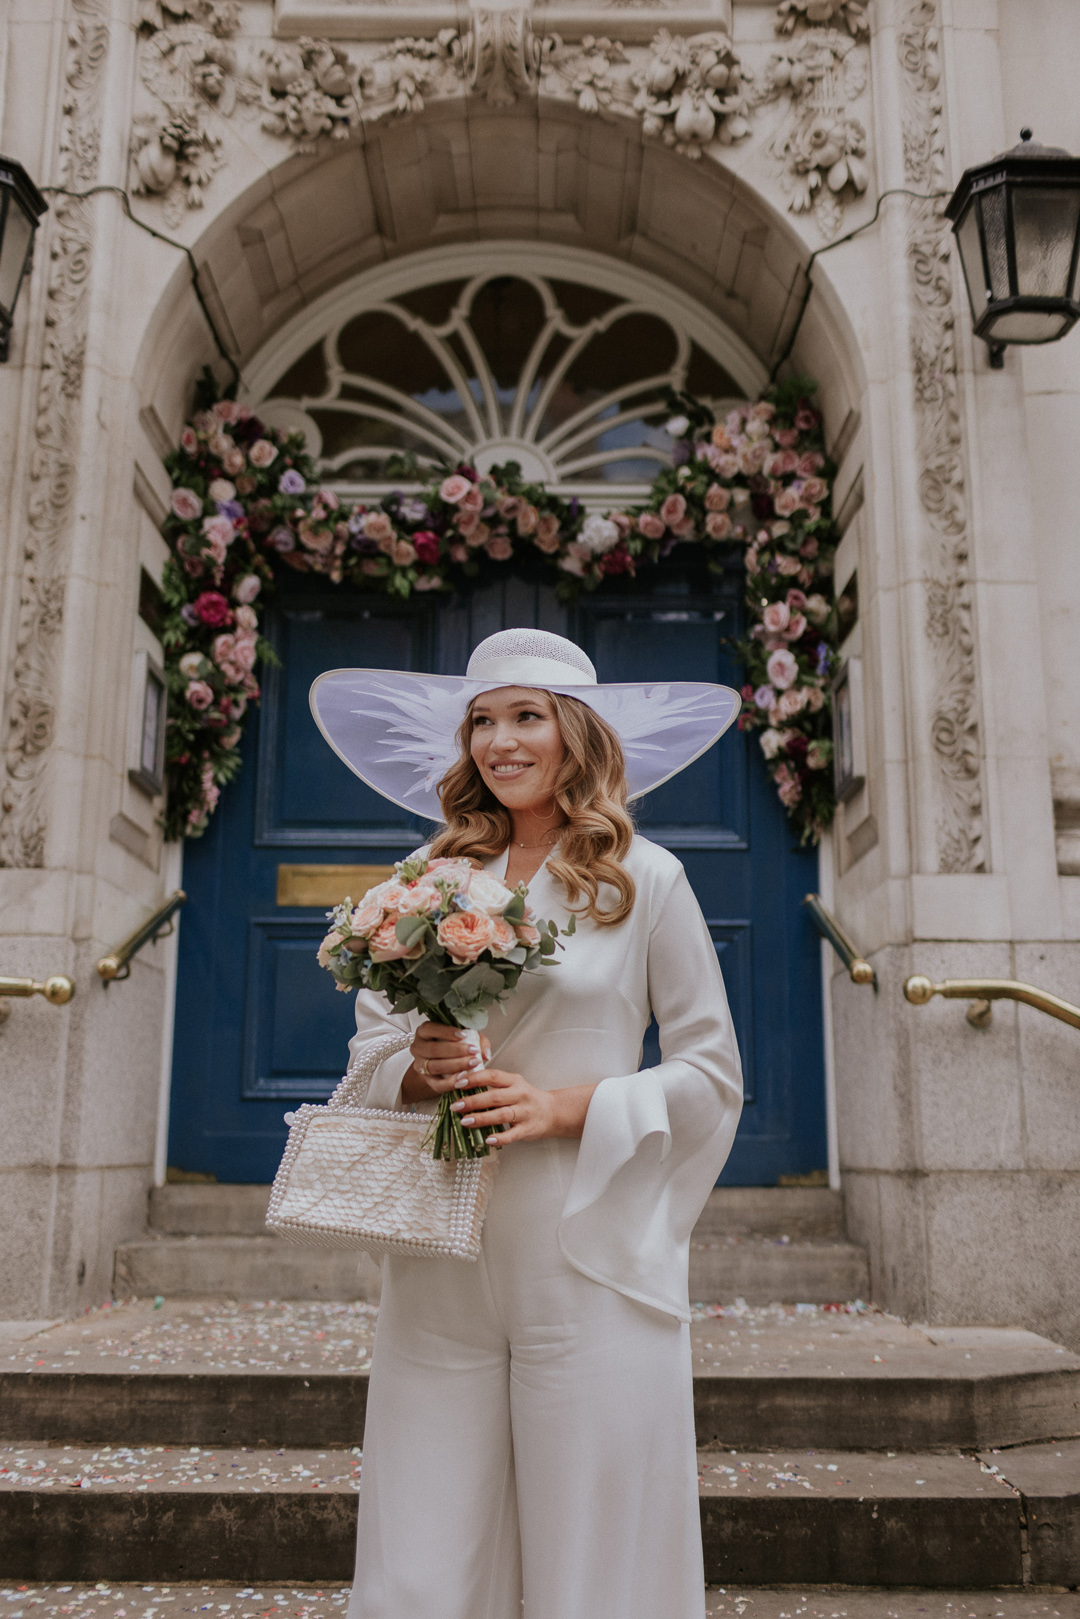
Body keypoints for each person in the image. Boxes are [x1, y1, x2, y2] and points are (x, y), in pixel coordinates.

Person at [310, 628, 744, 1619]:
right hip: (442, 1248)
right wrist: (417, 1073)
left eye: (525, 717)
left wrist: (563, 1106)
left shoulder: (646, 878)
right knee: (425, 1537)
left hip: (583, 1235)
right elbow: (370, 1057)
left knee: (589, 1527)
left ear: (574, 734)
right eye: (483, 721)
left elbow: (711, 1072)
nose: (500, 741)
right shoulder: (426, 875)